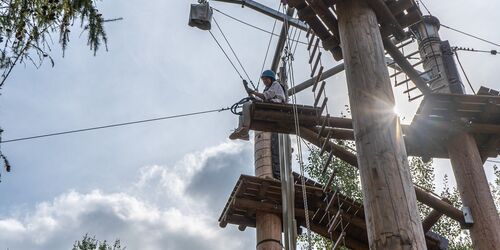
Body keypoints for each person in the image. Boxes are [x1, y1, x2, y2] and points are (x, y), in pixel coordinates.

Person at [229, 70, 286, 140]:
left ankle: (245, 129)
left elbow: (265, 96)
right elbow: (259, 98)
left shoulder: (275, 84)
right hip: (269, 104)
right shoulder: (267, 88)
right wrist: (249, 92)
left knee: (246, 105)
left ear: (271, 78)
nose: (265, 81)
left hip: (276, 104)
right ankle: (241, 132)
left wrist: (253, 92)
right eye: (263, 79)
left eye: (266, 79)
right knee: (242, 114)